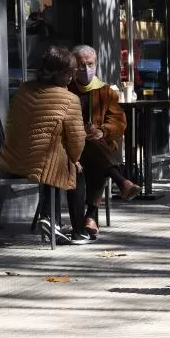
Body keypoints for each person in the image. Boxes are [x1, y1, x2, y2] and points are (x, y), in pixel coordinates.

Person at [0, 46, 90, 245]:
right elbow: (77, 140)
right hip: (40, 165)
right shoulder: (69, 99)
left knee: (55, 159)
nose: (72, 77)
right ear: (59, 73)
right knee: (74, 169)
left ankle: (52, 218)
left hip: (14, 160)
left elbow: (12, 123)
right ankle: (78, 230)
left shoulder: (23, 89)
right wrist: (75, 160)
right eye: (70, 72)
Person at [68, 45, 140, 237]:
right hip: (71, 150)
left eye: (90, 64)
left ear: (96, 64)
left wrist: (102, 131)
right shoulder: (66, 89)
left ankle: (90, 217)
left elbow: (118, 121)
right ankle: (120, 182)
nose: (86, 69)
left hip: (95, 149)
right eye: (81, 65)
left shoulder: (105, 91)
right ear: (73, 66)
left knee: (95, 150)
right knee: (96, 155)